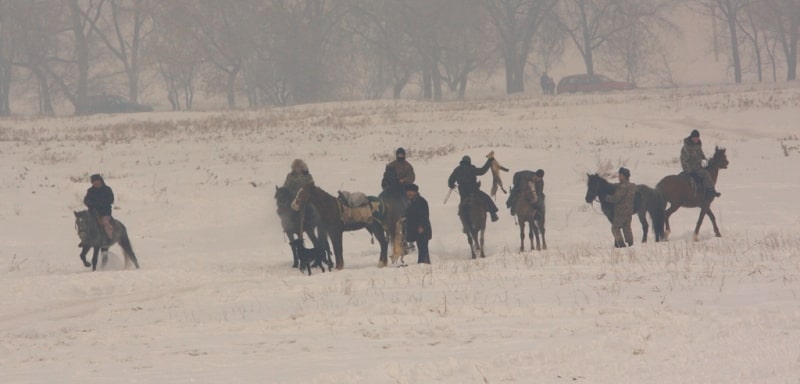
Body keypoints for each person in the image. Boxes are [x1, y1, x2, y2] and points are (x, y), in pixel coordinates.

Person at [447, 155, 500, 222]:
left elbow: (450, 181)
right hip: (474, 191)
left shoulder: (457, 170)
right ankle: (493, 214)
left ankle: (462, 215)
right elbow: (482, 171)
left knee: (462, 204)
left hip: (463, 193)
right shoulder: (471, 168)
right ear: (469, 162)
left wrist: (452, 185)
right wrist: (489, 162)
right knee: (487, 198)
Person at [681, 129, 721, 198]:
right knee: (706, 174)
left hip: (696, 165)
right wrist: (700, 161)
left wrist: (705, 159)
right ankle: (711, 190)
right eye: (695, 138)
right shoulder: (688, 146)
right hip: (689, 166)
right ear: (691, 137)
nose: (696, 139)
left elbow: (700, 153)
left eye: (697, 137)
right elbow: (692, 156)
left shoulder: (697, 144)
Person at [606, 167, 637, 248]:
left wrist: (606, 197)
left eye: (620, 175)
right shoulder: (632, 186)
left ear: (625, 176)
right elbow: (618, 185)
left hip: (621, 211)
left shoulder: (622, 187)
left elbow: (616, 198)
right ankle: (630, 244)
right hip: (629, 211)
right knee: (627, 227)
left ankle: (620, 244)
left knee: (615, 228)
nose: (619, 177)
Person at [404, 184, 432, 264]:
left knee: (423, 247)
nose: (409, 193)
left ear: (415, 192)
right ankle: (421, 263)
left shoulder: (421, 201)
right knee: (420, 247)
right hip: (413, 229)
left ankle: (425, 263)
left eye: (411, 191)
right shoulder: (408, 202)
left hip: (422, 228)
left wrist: (422, 226)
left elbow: (424, 215)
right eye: (407, 191)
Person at [83, 174, 115, 243]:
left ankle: (109, 238)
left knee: (106, 223)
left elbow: (111, 199)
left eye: (97, 181)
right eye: (94, 181)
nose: (96, 183)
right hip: (93, 212)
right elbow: (86, 200)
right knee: (83, 222)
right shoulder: (90, 191)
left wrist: (101, 204)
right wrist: (90, 204)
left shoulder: (107, 189)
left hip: (105, 212)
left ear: (101, 181)